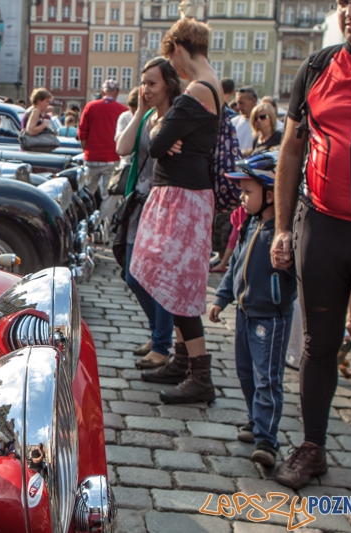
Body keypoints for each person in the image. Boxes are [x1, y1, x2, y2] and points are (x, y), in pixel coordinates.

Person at [271, 0, 351, 500]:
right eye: (344, 1)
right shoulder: (319, 66)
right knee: (318, 346)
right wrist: (283, 228)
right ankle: (311, 447)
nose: (350, 10)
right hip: (321, 224)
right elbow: (291, 149)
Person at [129, 17, 223, 404]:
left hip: (182, 199)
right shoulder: (210, 86)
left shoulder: (199, 89)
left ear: (180, 50)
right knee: (171, 278)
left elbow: (158, 140)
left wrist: (159, 134)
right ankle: (183, 360)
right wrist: (161, 135)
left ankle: (200, 375)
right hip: (183, 195)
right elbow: (162, 138)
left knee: (179, 284)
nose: (175, 69)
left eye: (173, 59)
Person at [209, 151, 297, 467]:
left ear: (272, 194)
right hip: (245, 313)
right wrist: (221, 298)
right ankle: (255, 420)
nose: (242, 198)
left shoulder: (285, 233)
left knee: (266, 378)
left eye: (248, 192)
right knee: (246, 373)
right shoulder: (251, 223)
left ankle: (267, 440)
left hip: (270, 318)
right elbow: (235, 267)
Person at [116, 58, 183, 370]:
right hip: (138, 205)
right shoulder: (147, 118)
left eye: (152, 83)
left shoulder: (174, 120)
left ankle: (160, 343)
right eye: (143, 83)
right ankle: (158, 333)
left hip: (162, 209)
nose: (145, 89)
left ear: (168, 84)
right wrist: (140, 112)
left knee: (155, 279)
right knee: (133, 275)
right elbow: (122, 148)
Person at [78, 79, 128, 223]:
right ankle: (103, 226)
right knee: (109, 195)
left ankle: (84, 223)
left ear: (102, 92)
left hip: (92, 157)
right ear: (117, 92)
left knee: (87, 192)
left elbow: (82, 133)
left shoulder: (90, 107)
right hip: (111, 158)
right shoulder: (122, 110)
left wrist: (86, 150)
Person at [232, 86, 257, 151]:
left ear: (253, 101)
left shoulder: (264, 122)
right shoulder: (233, 122)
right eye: (237, 103)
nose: (238, 107)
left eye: (241, 103)